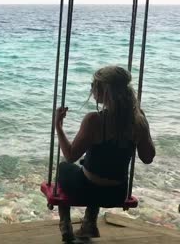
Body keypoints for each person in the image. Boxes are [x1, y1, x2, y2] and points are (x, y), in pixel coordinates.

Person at [54, 65, 155, 242]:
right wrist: (142, 129)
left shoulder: (94, 119)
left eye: (94, 85)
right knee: (90, 164)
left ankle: (65, 226)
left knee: (64, 166)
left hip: (85, 191)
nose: (91, 89)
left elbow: (70, 155)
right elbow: (148, 158)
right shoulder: (138, 119)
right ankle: (89, 224)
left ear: (104, 91)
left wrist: (58, 127)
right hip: (117, 193)